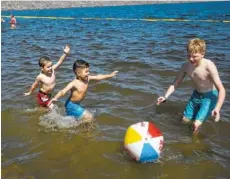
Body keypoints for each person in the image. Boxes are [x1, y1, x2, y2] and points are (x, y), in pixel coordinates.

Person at [157, 38, 226, 134]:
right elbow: (176, 82)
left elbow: (221, 89)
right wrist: (165, 96)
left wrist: (217, 108)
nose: (191, 59)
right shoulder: (185, 66)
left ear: (202, 54)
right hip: (196, 95)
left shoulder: (209, 65)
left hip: (209, 97)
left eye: (194, 56)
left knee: (196, 125)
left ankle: (193, 145)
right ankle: (183, 138)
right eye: (188, 56)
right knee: (185, 120)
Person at [52, 59, 118, 122]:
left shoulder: (87, 79)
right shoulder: (74, 83)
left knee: (74, 120)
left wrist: (110, 75)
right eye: (86, 72)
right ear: (78, 73)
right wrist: (55, 98)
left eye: (88, 71)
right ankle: (86, 132)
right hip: (71, 105)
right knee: (89, 117)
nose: (88, 73)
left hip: (76, 104)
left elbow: (98, 77)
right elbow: (63, 91)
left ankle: (78, 129)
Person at [24, 44, 70, 109]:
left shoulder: (53, 69)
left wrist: (65, 53)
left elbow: (60, 61)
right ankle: (56, 118)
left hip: (48, 94)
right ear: (42, 68)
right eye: (48, 67)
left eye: (51, 66)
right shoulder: (40, 77)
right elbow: (34, 85)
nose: (50, 68)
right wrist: (30, 92)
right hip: (42, 95)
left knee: (44, 108)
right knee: (52, 107)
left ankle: (37, 112)